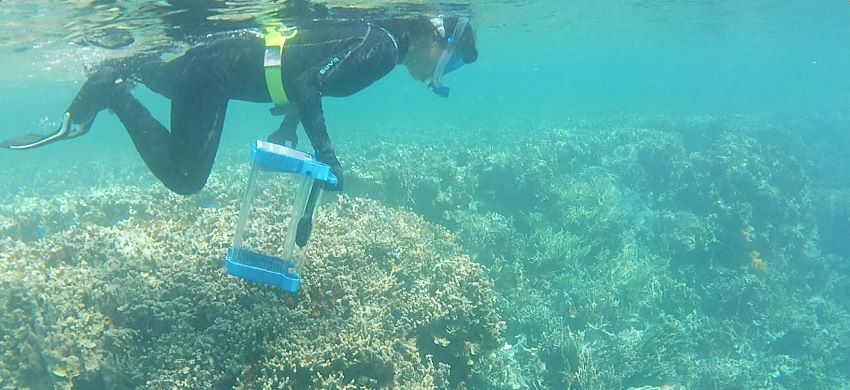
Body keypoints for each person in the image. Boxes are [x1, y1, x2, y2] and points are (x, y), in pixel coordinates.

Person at [1, 16, 478, 194]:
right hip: (217, 74)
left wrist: (291, 125)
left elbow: (312, 72)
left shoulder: (376, 37)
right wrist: (326, 154)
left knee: (170, 81)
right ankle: (113, 90)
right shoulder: (383, 49)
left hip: (215, 63)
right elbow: (312, 83)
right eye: (451, 63)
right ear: (436, 40)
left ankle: (126, 68)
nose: (441, 73)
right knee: (186, 177)